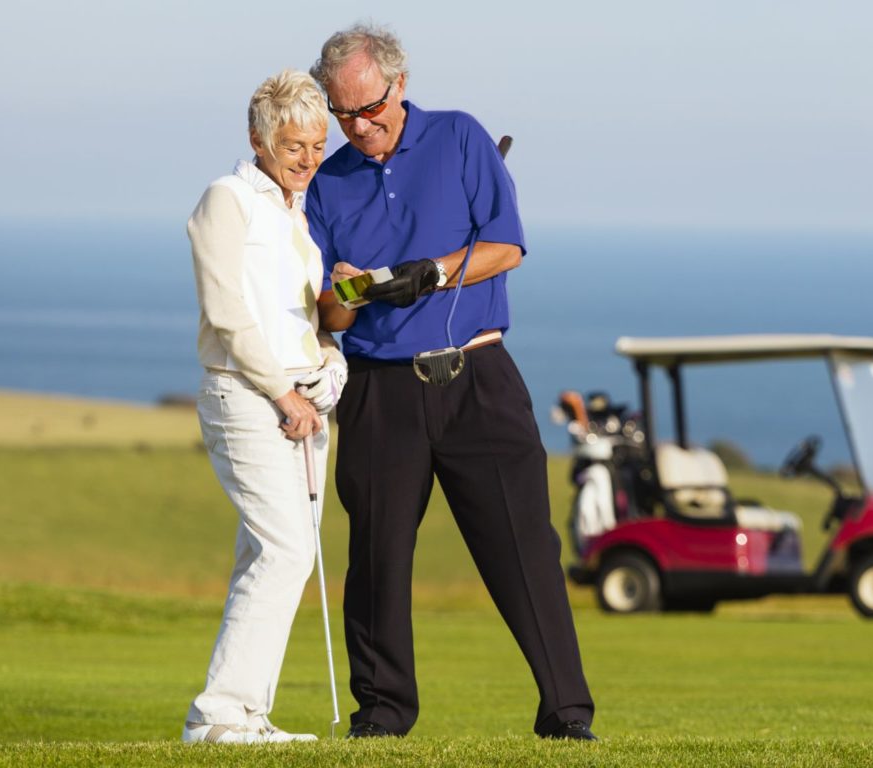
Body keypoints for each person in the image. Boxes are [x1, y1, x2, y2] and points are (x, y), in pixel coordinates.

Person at [307, 24, 596, 741]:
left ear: (398, 85)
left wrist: (429, 273)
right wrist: (344, 291)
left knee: (524, 548)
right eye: (342, 114)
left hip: (478, 379)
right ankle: (381, 716)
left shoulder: (462, 139)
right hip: (379, 392)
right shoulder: (327, 184)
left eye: (368, 107)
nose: (358, 125)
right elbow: (329, 313)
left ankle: (566, 714)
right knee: (376, 558)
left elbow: (506, 246)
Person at [182, 69, 347, 744]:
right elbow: (226, 311)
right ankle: (219, 714)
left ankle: (245, 715)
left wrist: (331, 367)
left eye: (317, 144)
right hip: (247, 396)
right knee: (285, 551)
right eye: (293, 145)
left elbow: (312, 319)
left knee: (270, 553)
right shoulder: (227, 200)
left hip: (305, 402)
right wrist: (282, 391)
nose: (308, 158)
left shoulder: (299, 212)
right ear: (258, 137)